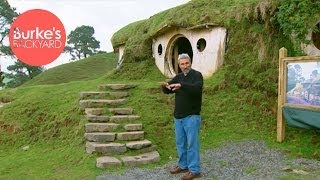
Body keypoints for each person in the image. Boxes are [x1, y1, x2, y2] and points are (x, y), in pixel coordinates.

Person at [161, 53, 203, 180]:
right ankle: (183, 165)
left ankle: (194, 170)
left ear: (190, 63)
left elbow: (197, 89)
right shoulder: (178, 77)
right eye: (182, 64)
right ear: (179, 65)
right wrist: (165, 87)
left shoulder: (196, 75)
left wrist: (182, 86)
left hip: (191, 116)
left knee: (192, 144)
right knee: (180, 143)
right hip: (178, 117)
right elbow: (169, 90)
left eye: (187, 63)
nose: (185, 66)